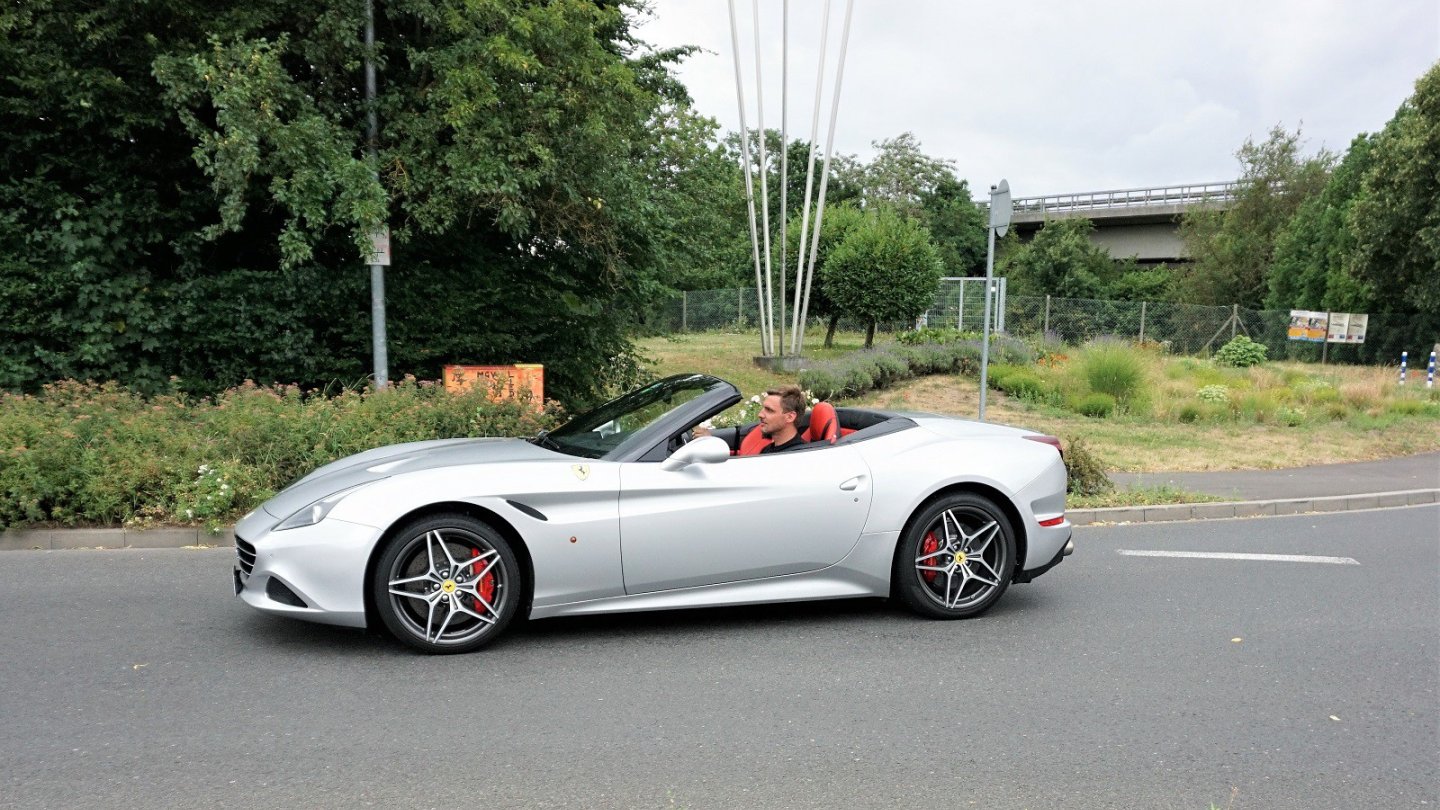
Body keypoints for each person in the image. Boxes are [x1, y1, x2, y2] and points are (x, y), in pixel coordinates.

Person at [694, 384, 808, 454]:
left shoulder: (794, 457)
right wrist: (711, 443)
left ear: (790, 417)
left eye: (769, 410)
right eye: (763, 408)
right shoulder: (770, 449)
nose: (760, 414)